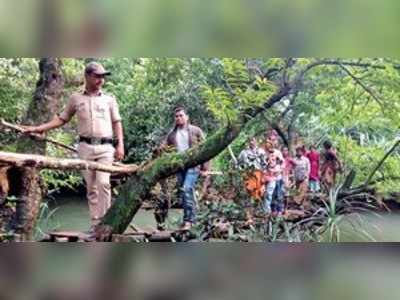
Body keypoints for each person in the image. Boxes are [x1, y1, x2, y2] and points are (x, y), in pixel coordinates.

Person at [22, 62, 125, 227]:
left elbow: (117, 122)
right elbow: (62, 119)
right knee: (92, 189)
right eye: (97, 76)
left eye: (103, 77)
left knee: (103, 183)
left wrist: (120, 146)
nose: (101, 80)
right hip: (85, 148)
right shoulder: (75, 98)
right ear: (87, 76)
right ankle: (95, 224)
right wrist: (39, 128)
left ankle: (105, 224)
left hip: (106, 148)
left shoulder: (109, 100)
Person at [161, 106, 209, 231]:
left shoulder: (196, 130)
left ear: (187, 117)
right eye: (176, 116)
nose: (178, 118)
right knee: (184, 192)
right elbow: (164, 148)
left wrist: (205, 168)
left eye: (181, 115)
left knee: (186, 188)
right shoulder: (172, 134)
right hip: (179, 167)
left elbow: (206, 149)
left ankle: (188, 221)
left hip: (193, 165)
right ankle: (191, 218)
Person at [263, 141, 284, 217]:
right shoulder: (265, 154)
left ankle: (280, 210)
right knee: (269, 194)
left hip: (277, 177)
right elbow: (264, 164)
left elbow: (282, 163)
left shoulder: (277, 153)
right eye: (267, 146)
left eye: (270, 146)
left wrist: (279, 170)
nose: (269, 148)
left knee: (278, 194)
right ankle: (271, 210)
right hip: (268, 177)